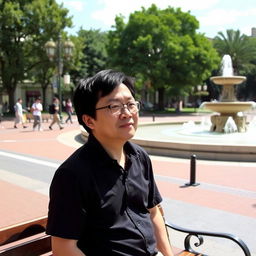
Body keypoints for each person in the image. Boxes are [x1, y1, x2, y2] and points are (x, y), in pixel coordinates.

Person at [46, 70, 174, 256]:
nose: (127, 113)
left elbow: (153, 213)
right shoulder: (72, 175)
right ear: (89, 120)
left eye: (131, 104)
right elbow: (63, 248)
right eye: (114, 107)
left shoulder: (140, 157)